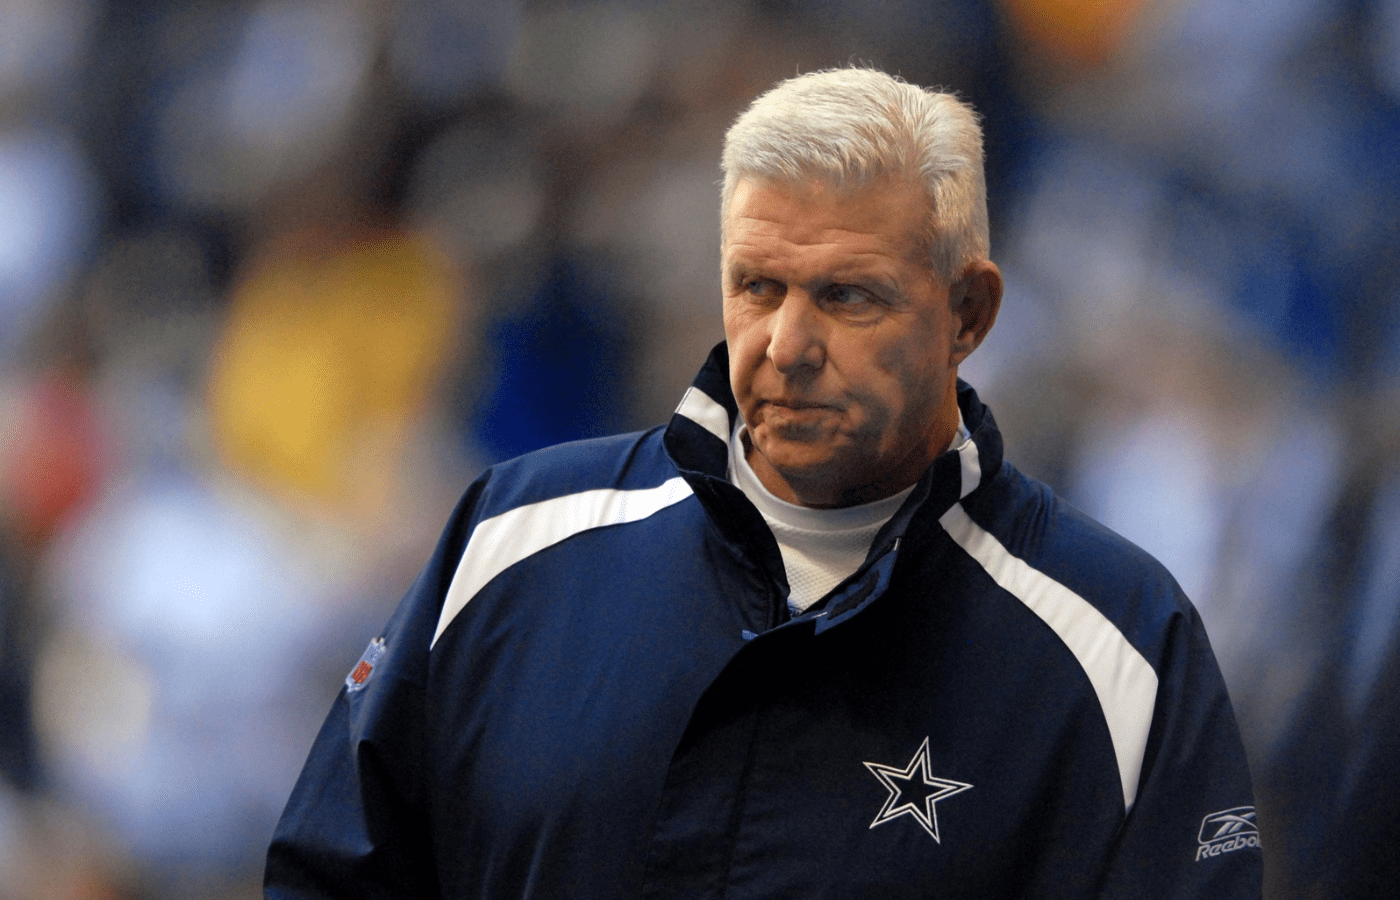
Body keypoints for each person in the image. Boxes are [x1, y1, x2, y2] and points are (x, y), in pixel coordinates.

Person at [265, 67, 1262, 899]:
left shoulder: (1119, 640)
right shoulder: (509, 542)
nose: (787, 346)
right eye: (756, 286)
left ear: (967, 312)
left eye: (846, 295)